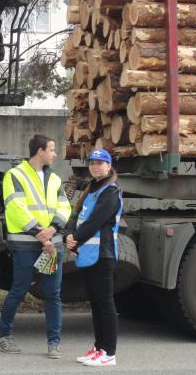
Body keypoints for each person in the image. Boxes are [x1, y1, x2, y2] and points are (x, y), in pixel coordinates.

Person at [0, 134, 72, 358]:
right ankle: (5, 336)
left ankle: (54, 343)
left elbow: (64, 207)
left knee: (53, 294)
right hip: (26, 244)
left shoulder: (55, 179)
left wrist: (53, 230)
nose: (55, 154)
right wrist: (43, 235)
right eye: (52, 149)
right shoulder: (15, 175)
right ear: (40, 151)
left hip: (52, 243)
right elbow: (16, 208)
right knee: (19, 290)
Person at [64, 148, 122, 367]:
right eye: (92, 163)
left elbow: (95, 221)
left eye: (100, 163)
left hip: (103, 255)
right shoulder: (91, 190)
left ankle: (109, 353)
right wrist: (69, 234)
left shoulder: (111, 191)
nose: (95, 166)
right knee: (96, 304)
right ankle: (99, 348)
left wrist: (75, 239)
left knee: (105, 303)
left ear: (109, 166)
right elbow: (76, 215)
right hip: (89, 254)